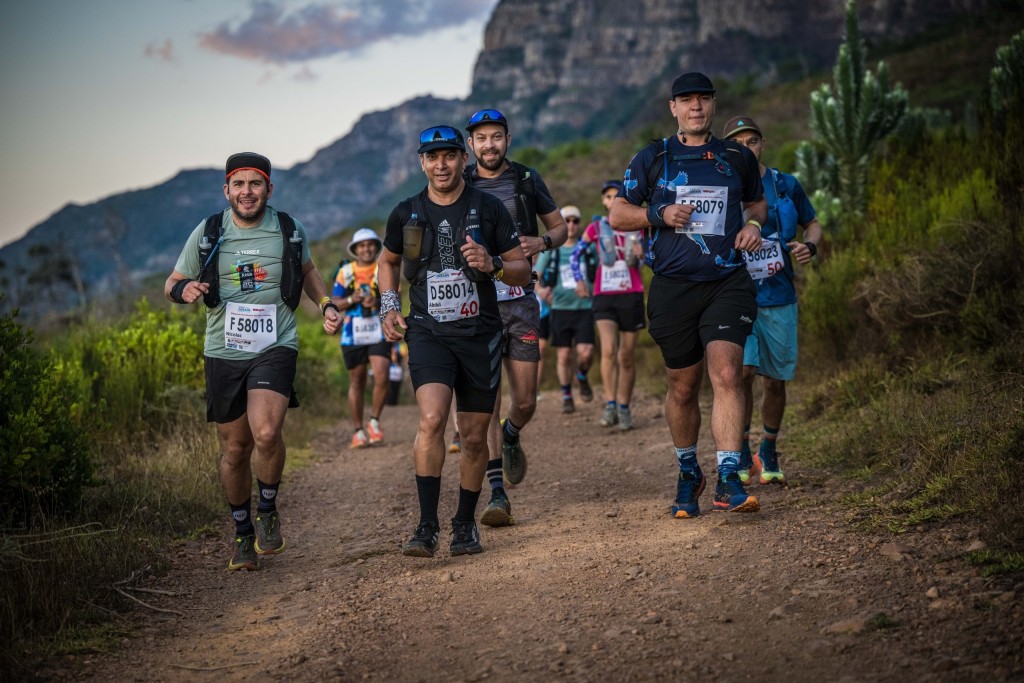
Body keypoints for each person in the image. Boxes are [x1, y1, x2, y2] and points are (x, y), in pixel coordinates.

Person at [164, 152, 341, 570]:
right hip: (223, 350)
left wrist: (327, 304)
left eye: (255, 184)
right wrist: (184, 289)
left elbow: (309, 270)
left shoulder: (287, 228)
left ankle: (267, 508)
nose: (247, 192)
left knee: (265, 433)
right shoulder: (208, 231)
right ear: (227, 190)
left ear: (268, 190)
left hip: (275, 343)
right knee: (236, 447)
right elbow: (171, 282)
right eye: (239, 184)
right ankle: (243, 535)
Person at [609, 72, 768, 518]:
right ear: (673, 108)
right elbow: (619, 214)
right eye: (687, 100)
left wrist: (753, 226)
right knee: (682, 386)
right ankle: (687, 471)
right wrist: (658, 213)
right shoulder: (653, 157)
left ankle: (728, 476)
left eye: (703, 99)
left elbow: (756, 204)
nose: (696, 107)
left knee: (727, 373)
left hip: (727, 282)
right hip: (673, 287)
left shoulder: (736, 157)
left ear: (714, 105)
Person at [377, 125, 530, 557]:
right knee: (431, 420)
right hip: (427, 331)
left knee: (476, 436)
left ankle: (464, 524)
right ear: (422, 163)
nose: (441, 164)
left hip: (480, 332)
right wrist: (389, 306)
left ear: (464, 159)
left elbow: (521, 268)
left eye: (449, 155)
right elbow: (388, 262)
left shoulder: (488, 207)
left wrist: (494, 262)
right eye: (432, 157)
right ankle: (426, 526)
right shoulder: (406, 212)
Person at [463, 108, 568, 527]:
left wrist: (540, 240)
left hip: (520, 299)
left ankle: (511, 434)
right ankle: (497, 494)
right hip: (476, 305)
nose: (489, 145)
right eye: (481, 138)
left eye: (496, 137)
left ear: (508, 139)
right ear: (471, 144)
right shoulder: (460, 182)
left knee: (524, 400)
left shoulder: (526, 180)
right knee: (485, 401)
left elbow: (560, 228)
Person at [722, 115, 823, 485]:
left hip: (780, 295)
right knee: (742, 373)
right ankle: (742, 448)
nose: (746, 148)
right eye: (738, 143)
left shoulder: (785, 184)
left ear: (762, 144)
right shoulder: (724, 189)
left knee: (775, 380)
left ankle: (769, 445)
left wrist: (808, 244)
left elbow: (813, 222)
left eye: (752, 141)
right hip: (738, 295)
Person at [572, 180, 645, 430]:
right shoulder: (596, 227)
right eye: (608, 196)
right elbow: (575, 254)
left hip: (632, 293)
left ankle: (624, 407)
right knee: (607, 351)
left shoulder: (638, 225)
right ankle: (610, 404)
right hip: (604, 295)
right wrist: (579, 279)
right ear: (603, 201)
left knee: (626, 355)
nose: (612, 199)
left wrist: (643, 253)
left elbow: (653, 257)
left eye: (617, 195)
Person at [536, 205, 596, 414]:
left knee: (586, 353)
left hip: (585, 308)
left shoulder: (587, 248)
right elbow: (535, 275)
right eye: (567, 221)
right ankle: (567, 395)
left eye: (575, 221)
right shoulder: (552, 251)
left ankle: (582, 375)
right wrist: (541, 290)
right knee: (563, 355)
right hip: (560, 309)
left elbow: (601, 269)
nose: (570, 225)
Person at [332, 228, 390, 448]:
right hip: (352, 332)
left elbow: (395, 295)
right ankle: (358, 430)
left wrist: (375, 303)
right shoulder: (345, 272)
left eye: (370, 245)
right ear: (356, 249)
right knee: (357, 380)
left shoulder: (383, 267)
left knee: (382, 375)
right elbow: (334, 302)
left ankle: (374, 422)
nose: (366, 249)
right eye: (362, 246)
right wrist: (351, 299)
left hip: (379, 328)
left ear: (376, 247)